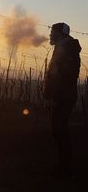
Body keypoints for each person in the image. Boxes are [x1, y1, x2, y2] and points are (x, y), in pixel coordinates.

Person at [44, 22, 81, 180]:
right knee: (58, 131)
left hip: (63, 98)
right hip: (60, 96)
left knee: (61, 131)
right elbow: (55, 74)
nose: (50, 35)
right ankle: (63, 166)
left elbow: (66, 77)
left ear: (60, 34)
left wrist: (56, 97)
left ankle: (65, 169)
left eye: (53, 32)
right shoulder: (62, 49)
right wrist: (48, 91)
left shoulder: (67, 51)